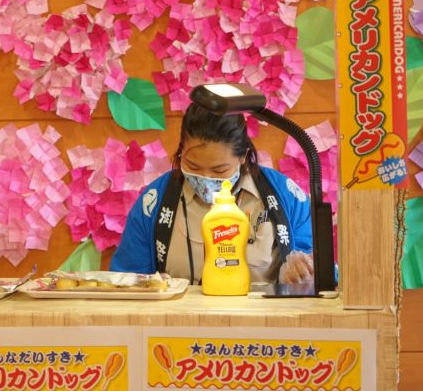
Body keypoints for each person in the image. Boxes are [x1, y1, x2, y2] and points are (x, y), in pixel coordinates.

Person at [110, 103, 314, 286]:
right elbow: (128, 279)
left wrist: (301, 275)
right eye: (193, 166)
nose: (205, 181)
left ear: (243, 156)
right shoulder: (154, 201)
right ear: (181, 151)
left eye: (219, 170)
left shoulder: (285, 195)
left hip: (264, 316)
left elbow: (314, 268)